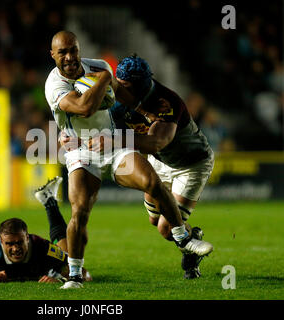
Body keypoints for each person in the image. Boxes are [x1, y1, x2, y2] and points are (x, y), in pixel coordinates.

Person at [45, 31, 213, 289]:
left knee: (151, 184)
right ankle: (75, 276)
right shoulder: (57, 84)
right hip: (82, 150)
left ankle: (184, 239)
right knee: (80, 209)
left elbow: (130, 106)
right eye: (62, 52)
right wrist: (104, 80)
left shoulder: (105, 70)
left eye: (73, 50)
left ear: (79, 49)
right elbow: (84, 108)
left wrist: (134, 121)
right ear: (53, 55)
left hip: (141, 151)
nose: (69, 57)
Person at [87, 54, 215, 279]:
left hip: (191, 164)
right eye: (120, 84)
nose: (121, 90)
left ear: (141, 85)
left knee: (165, 228)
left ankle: (191, 249)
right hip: (160, 161)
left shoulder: (166, 100)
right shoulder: (117, 103)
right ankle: (190, 236)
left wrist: (116, 139)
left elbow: (157, 142)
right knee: (154, 219)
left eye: (126, 86)